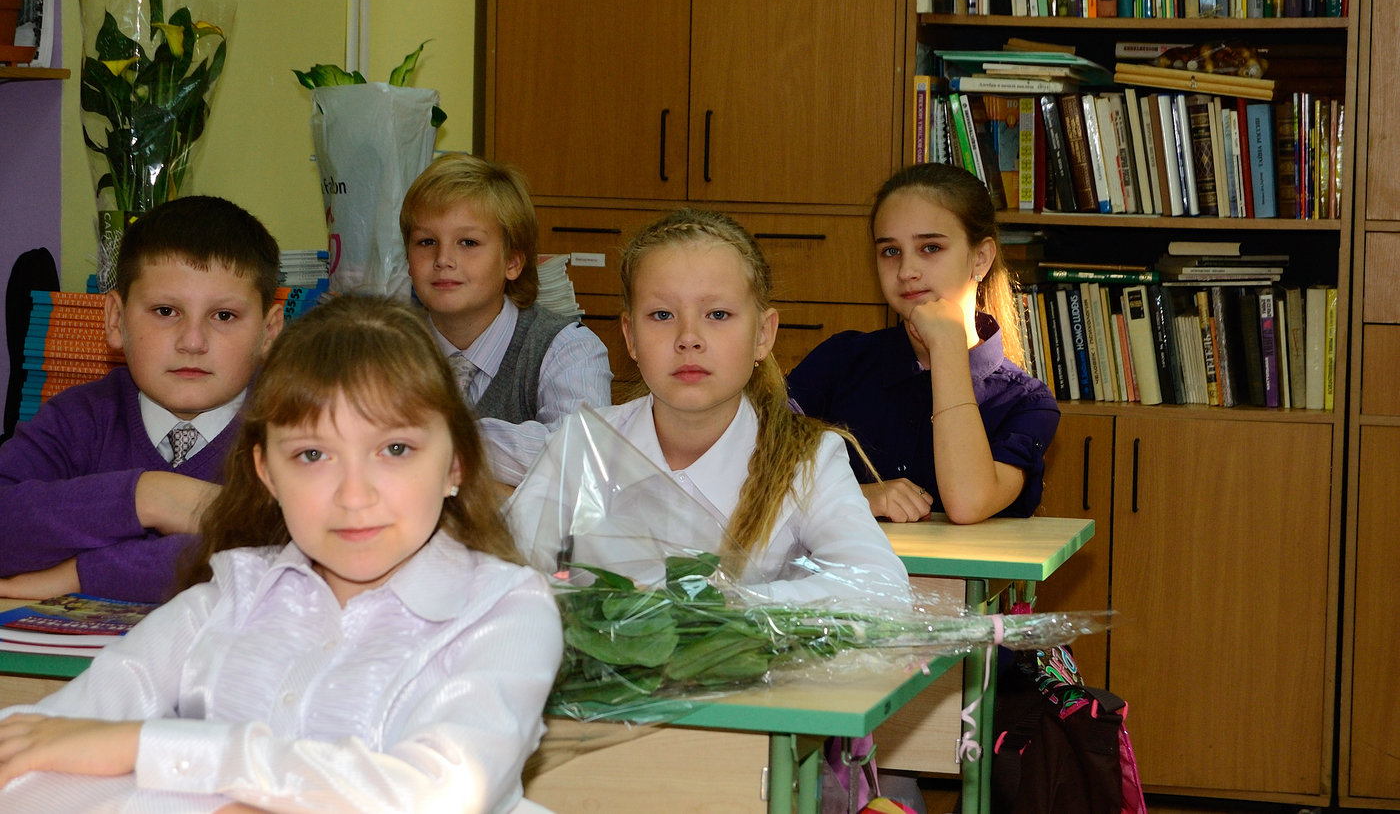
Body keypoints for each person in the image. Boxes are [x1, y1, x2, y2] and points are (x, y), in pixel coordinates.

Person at [0, 296, 563, 814]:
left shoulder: (505, 612)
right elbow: (28, 757)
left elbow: (440, 793)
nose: (354, 495)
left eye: (395, 449)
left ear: (455, 464)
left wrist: (152, 750)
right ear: (267, 472)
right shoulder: (223, 600)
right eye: (313, 455)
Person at [482, 208, 909, 603]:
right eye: (662, 315)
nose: (689, 338)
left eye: (717, 315)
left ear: (762, 335)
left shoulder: (807, 460)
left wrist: (718, 610)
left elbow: (880, 584)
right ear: (630, 337)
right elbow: (500, 574)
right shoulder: (583, 445)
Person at [0, 197, 285, 602]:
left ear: (269, 332)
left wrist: (81, 574)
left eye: (224, 316)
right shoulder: (78, 418)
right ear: (116, 320)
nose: (192, 342)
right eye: (166, 311)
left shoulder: (294, 428)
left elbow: (295, 554)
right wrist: (147, 497)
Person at [788, 163, 1060, 524]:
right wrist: (856, 497)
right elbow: (749, 462)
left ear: (980, 258)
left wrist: (947, 348)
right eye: (890, 251)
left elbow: (967, 503)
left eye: (930, 247)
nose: (906, 271)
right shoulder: (841, 361)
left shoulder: (1026, 402)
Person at [401, 153, 611, 424]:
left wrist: (434, 437)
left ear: (512, 262)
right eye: (426, 242)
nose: (443, 260)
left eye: (468, 242)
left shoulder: (567, 349)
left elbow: (580, 446)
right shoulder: (389, 349)